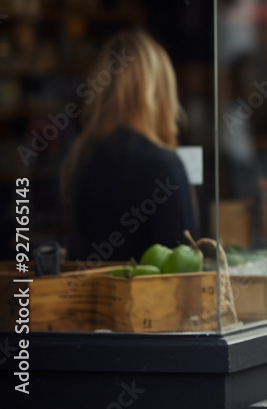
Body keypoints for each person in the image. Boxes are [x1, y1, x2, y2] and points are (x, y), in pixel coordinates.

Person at [62, 30, 196, 262]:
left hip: (90, 296)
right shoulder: (163, 165)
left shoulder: (82, 159)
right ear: (158, 92)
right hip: (148, 297)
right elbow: (184, 268)